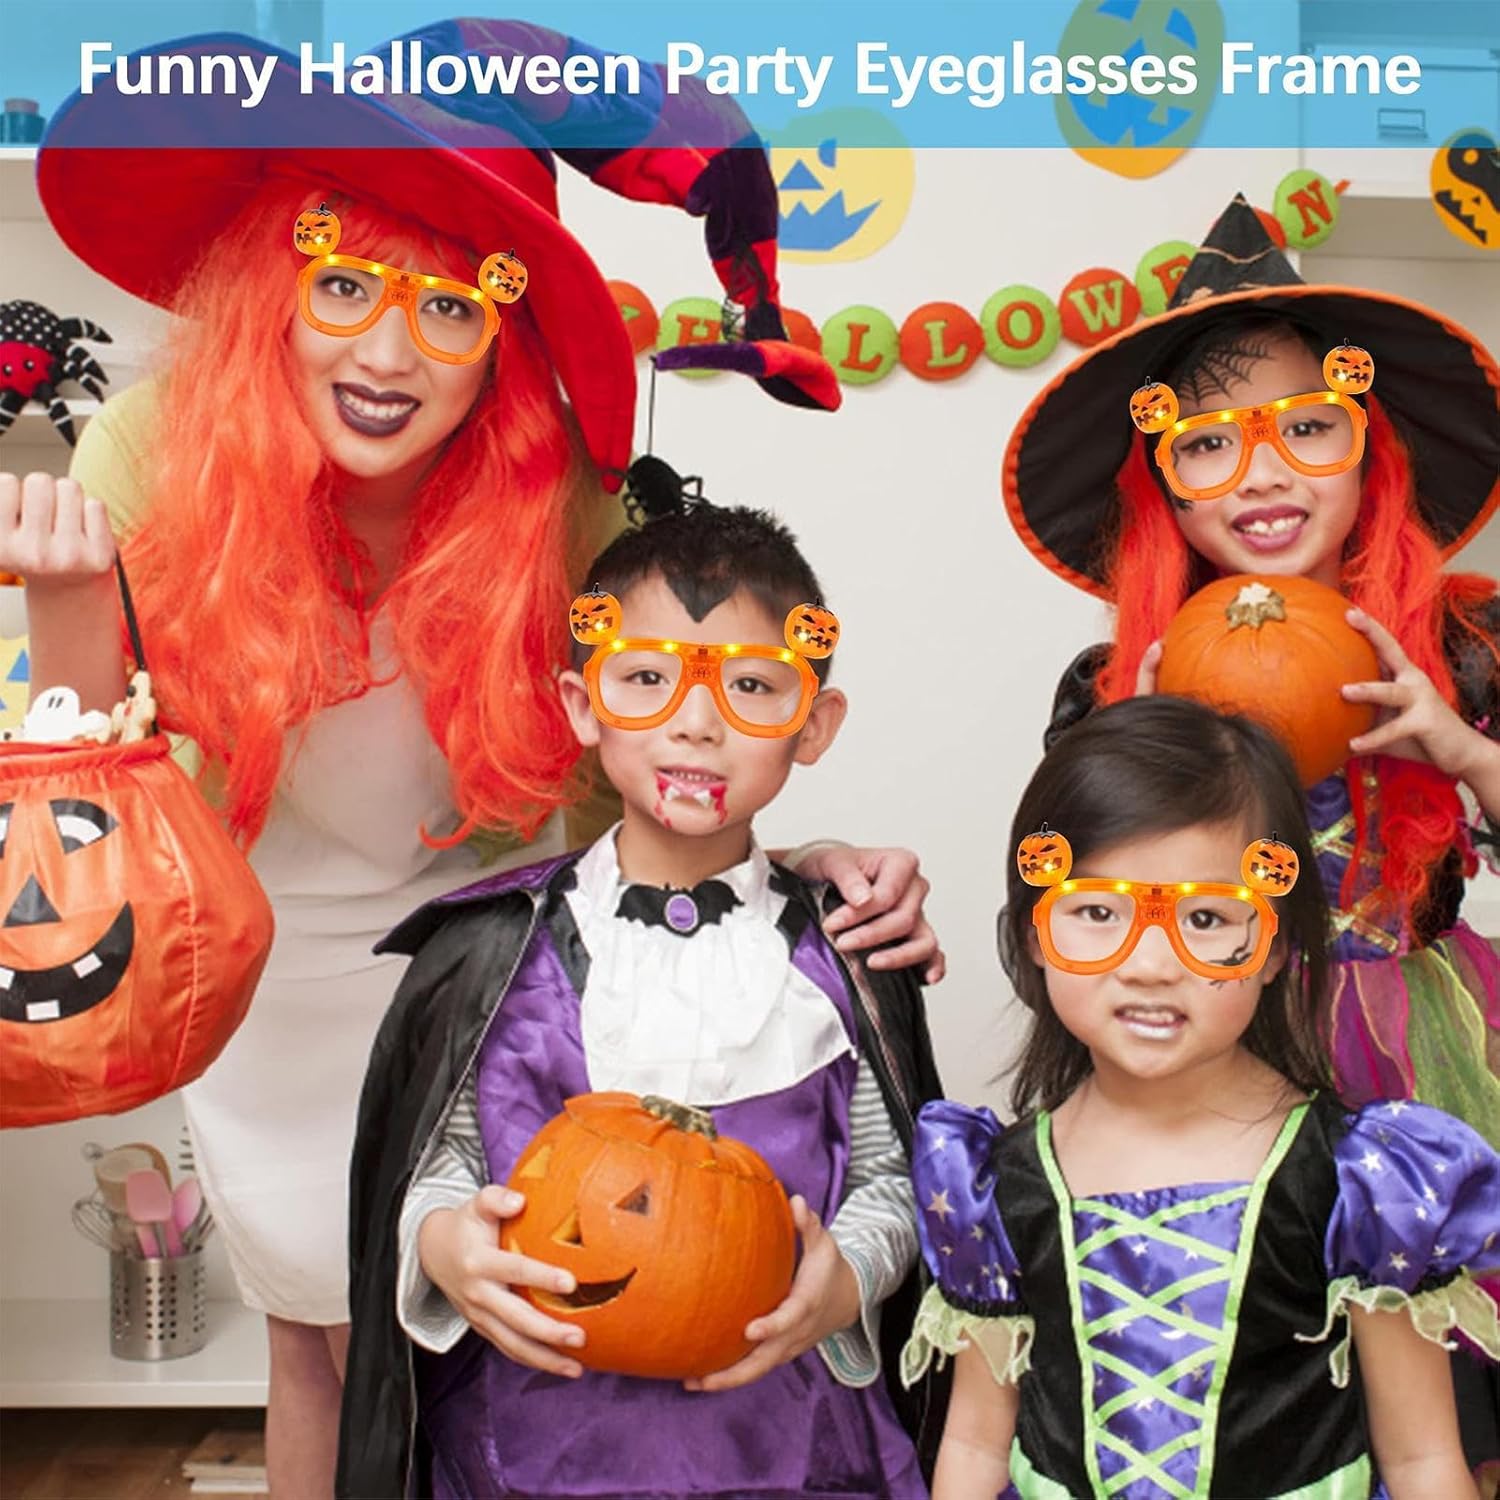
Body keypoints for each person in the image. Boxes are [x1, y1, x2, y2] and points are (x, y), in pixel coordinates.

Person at [4, 22, 941, 1494]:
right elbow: (84, 798)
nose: (389, 354)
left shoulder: (560, 497)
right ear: (274, 286)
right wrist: (66, 606)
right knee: (317, 1335)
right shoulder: (152, 448)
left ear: (505, 336)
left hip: (484, 971)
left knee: (483, 1332)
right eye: (345, 286)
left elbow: (657, 739)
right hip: (254, 966)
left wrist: (796, 872)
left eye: (452, 307)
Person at [341, 498, 946, 1499]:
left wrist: (848, 1279)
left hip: (790, 1448)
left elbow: (892, 1175)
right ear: (583, 706)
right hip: (531, 1451)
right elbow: (441, 1162)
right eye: (647, 679)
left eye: (752, 687)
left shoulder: (847, 953)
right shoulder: (496, 950)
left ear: (813, 724)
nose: (696, 723)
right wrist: (444, 1244)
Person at [903, 695, 1500, 1500]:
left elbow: (1422, 1459)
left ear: (1276, 946)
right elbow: (975, 1445)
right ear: (1037, 933)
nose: (1152, 965)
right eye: (1097, 911)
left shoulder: (1361, 1184)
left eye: (1210, 918)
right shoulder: (992, 1186)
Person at [1003, 195, 1499, 1144]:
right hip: (1202, 1057)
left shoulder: (1466, 646)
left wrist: (1465, 753)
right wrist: (1132, 778)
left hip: (1415, 1058)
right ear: (1166, 492)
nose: (1262, 474)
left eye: (1307, 428)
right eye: (1206, 445)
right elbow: (1057, 929)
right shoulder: (1111, 684)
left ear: (1368, 451)